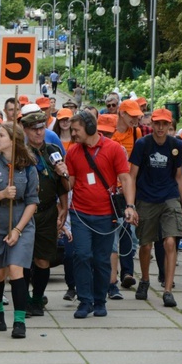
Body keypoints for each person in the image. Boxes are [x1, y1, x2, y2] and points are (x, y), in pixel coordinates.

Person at [66, 111, 135, 319]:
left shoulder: (113, 149)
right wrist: (61, 175)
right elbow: (69, 183)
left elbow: (126, 178)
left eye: (76, 130)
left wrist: (130, 205)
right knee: (81, 255)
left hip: (106, 215)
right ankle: (85, 301)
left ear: (89, 127)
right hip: (79, 214)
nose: (74, 134)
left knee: (101, 259)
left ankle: (99, 300)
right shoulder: (72, 152)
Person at [0, 123, 39, 339]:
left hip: (21, 222)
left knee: (15, 270)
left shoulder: (29, 167)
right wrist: (2, 194)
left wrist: (18, 229)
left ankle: (19, 321)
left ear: (14, 140)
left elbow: (33, 201)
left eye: (1, 134)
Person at [130, 109, 182, 307]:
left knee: (170, 242)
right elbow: (132, 176)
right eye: (157, 123)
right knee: (146, 245)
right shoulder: (142, 144)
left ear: (170, 125)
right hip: (146, 198)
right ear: (152, 124)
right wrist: (132, 204)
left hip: (169, 197)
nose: (161, 128)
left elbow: (179, 176)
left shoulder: (176, 145)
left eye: (165, 124)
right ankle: (145, 279)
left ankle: (168, 290)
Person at [20, 111, 69, 317]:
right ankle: (22, 299)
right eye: (34, 129)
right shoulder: (20, 153)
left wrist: (64, 208)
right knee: (22, 259)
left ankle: (38, 299)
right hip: (24, 212)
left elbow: (63, 185)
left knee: (43, 259)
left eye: (42, 128)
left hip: (48, 211)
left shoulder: (53, 150)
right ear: (26, 130)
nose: (39, 132)